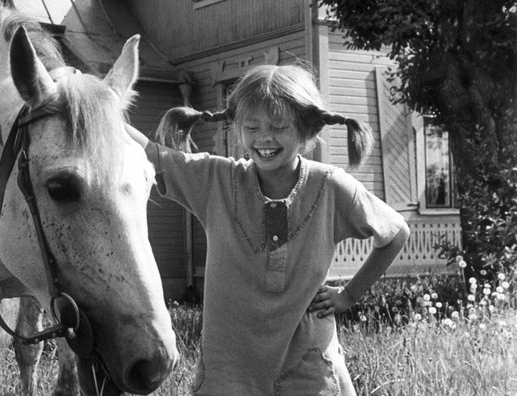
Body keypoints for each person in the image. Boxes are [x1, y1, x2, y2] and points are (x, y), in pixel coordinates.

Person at [127, 64, 410, 396]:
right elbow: (151, 152)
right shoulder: (215, 180)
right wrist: (94, 101)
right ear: (237, 128)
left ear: (306, 132)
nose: (264, 138)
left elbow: (395, 233)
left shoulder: (330, 186)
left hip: (306, 366)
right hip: (230, 365)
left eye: (278, 127)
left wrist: (349, 295)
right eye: (252, 127)